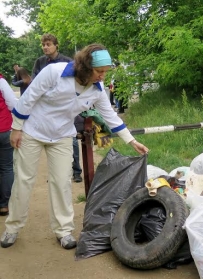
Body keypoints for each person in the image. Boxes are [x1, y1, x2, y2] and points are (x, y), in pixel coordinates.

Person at [0, 44, 149, 250]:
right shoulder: (54, 73)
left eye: (105, 72)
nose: (103, 77)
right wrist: (17, 128)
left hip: (62, 136)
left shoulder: (97, 90)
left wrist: (131, 141)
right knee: (24, 181)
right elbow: (28, 98)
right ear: (86, 67)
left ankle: (64, 230)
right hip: (33, 131)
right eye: (99, 72)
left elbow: (110, 116)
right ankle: (13, 228)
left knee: (62, 182)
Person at [32, 33, 83, 183]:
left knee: (70, 140)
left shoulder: (68, 62)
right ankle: (56, 174)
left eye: (48, 44)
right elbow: (35, 84)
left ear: (56, 45)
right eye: (43, 45)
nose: (45, 47)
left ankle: (76, 171)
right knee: (48, 140)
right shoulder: (39, 62)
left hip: (65, 107)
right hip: (45, 108)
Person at [0, 74, 18, 217]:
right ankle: (4, 205)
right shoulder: (1, 81)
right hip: (3, 129)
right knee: (6, 168)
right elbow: (12, 103)